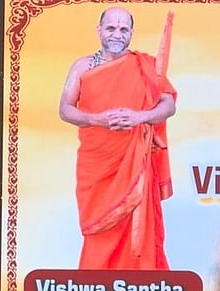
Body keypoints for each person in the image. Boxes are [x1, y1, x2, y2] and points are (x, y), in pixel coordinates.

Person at [59, 6, 177, 269]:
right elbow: (65, 109)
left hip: (136, 158)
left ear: (131, 33)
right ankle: (95, 286)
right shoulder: (83, 65)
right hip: (97, 161)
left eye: (124, 29)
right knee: (99, 226)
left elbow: (168, 105)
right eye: (111, 28)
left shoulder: (146, 66)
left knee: (136, 220)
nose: (117, 34)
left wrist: (139, 117)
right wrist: (96, 119)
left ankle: (140, 284)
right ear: (99, 30)